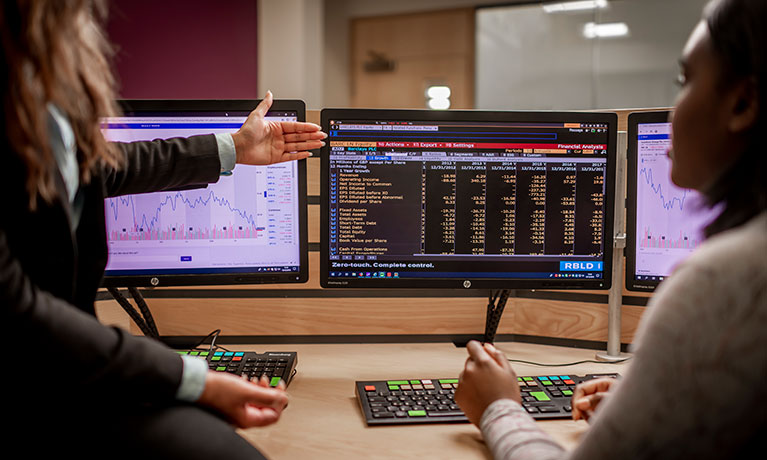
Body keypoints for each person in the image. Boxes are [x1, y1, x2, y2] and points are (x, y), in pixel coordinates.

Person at [1, 1, 325, 458]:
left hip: (66, 364)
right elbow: (18, 312)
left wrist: (233, 147)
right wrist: (193, 380)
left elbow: (99, 170)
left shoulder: (33, 86)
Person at [455, 0, 767, 458]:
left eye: (685, 81)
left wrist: (498, 406)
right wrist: (652, 410)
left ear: (742, 103)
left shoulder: (728, 281)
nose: (672, 111)